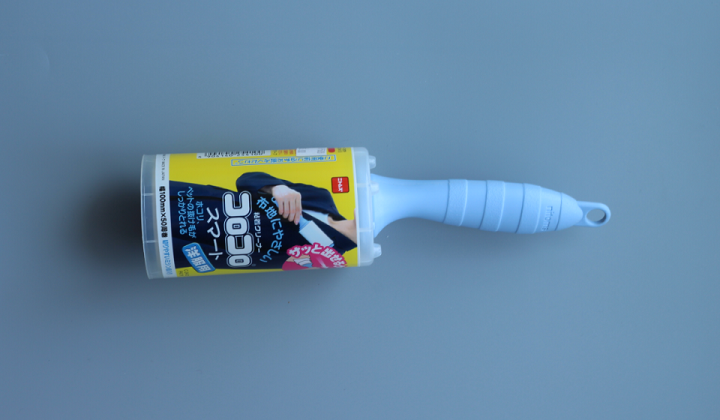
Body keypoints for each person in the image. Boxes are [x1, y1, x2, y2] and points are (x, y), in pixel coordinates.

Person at [169, 172, 357, 271]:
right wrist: (275, 187)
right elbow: (245, 180)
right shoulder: (322, 198)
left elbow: (252, 262)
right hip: (193, 201)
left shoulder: (326, 257)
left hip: (192, 241)